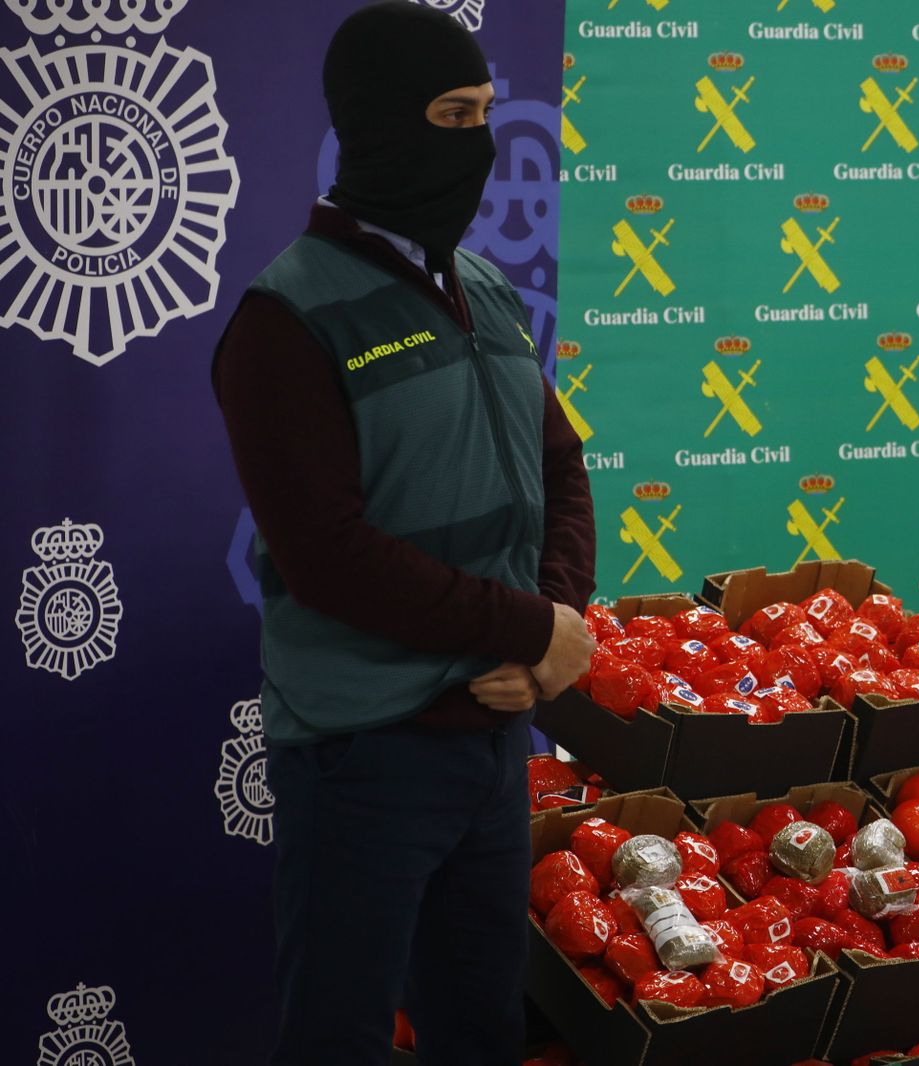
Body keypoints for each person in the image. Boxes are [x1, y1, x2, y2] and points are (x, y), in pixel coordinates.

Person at [212, 3, 596, 1062]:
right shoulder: (284, 321)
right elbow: (328, 555)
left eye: (483, 115)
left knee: (481, 1029)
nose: (473, 145)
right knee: (339, 1035)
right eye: (448, 114)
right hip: (363, 759)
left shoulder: (486, 290)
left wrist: (554, 621)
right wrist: (523, 630)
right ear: (379, 125)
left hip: (486, 748)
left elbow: (560, 468)